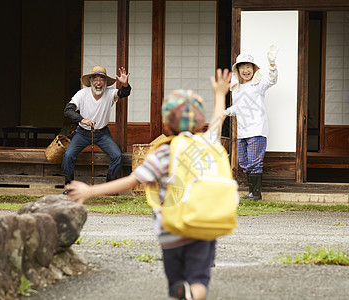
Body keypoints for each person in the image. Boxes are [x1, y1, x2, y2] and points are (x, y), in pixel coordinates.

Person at [65, 68, 232, 300]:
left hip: (172, 230)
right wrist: (220, 93)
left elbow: (133, 180)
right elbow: (217, 121)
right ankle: (194, 294)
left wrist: (90, 190)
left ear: (166, 123)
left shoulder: (163, 153)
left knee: (176, 283)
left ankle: (180, 293)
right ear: (199, 123)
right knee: (199, 280)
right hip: (203, 226)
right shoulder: (208, 144)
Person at [62, 66, 131, 194]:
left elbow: (123, 93)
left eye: (102, 80)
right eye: (95, 79)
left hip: (102, 133)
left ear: (105, 82)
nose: (98, 83)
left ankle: (109, 188)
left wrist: (125, 85)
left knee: (117, 156)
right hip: (82, 133)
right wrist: (82, 119)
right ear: (90, 81)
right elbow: (68, 110)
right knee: (68, 155)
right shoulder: (82, 94)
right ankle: (69, 187)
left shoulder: (110, 93)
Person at [224, 45, 279, 200]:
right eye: (242, 67)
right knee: (244, 162)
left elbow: (272, 80)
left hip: (257, 129)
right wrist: (227, 111)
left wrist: (272, 64)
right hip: (242, 131)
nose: (245, 70)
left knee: (254, 162)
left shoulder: (259, 84)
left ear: (254, 69)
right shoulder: (236, 88)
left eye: (248, 67)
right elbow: (239, 107)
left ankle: (256, 194)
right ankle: (251, 192)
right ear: (238, 71)